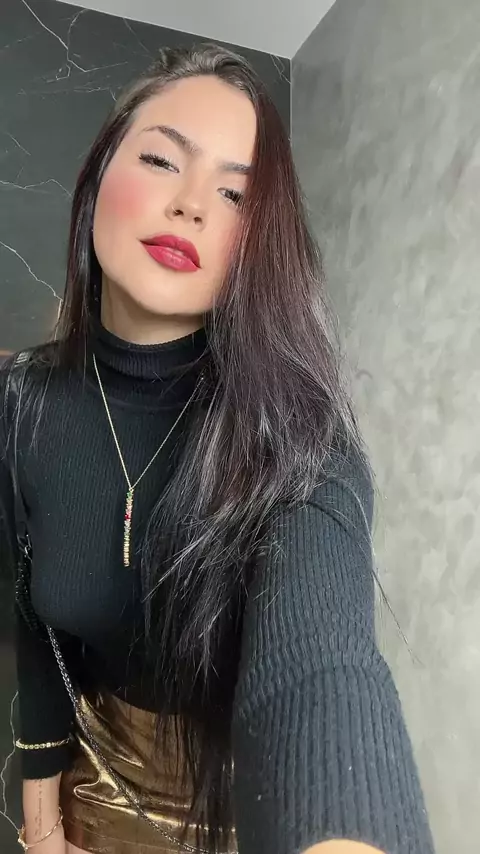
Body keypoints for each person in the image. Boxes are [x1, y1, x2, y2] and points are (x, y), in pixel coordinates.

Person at [0, 43, 435, 854]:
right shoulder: (20, 404)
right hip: (93, 788)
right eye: (163, 160)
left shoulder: (301, 443)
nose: (192, 206)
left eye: (235, 193)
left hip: (233, 805)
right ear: (97, 179)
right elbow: (35, 625)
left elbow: (322, 668)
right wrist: (42, 821)